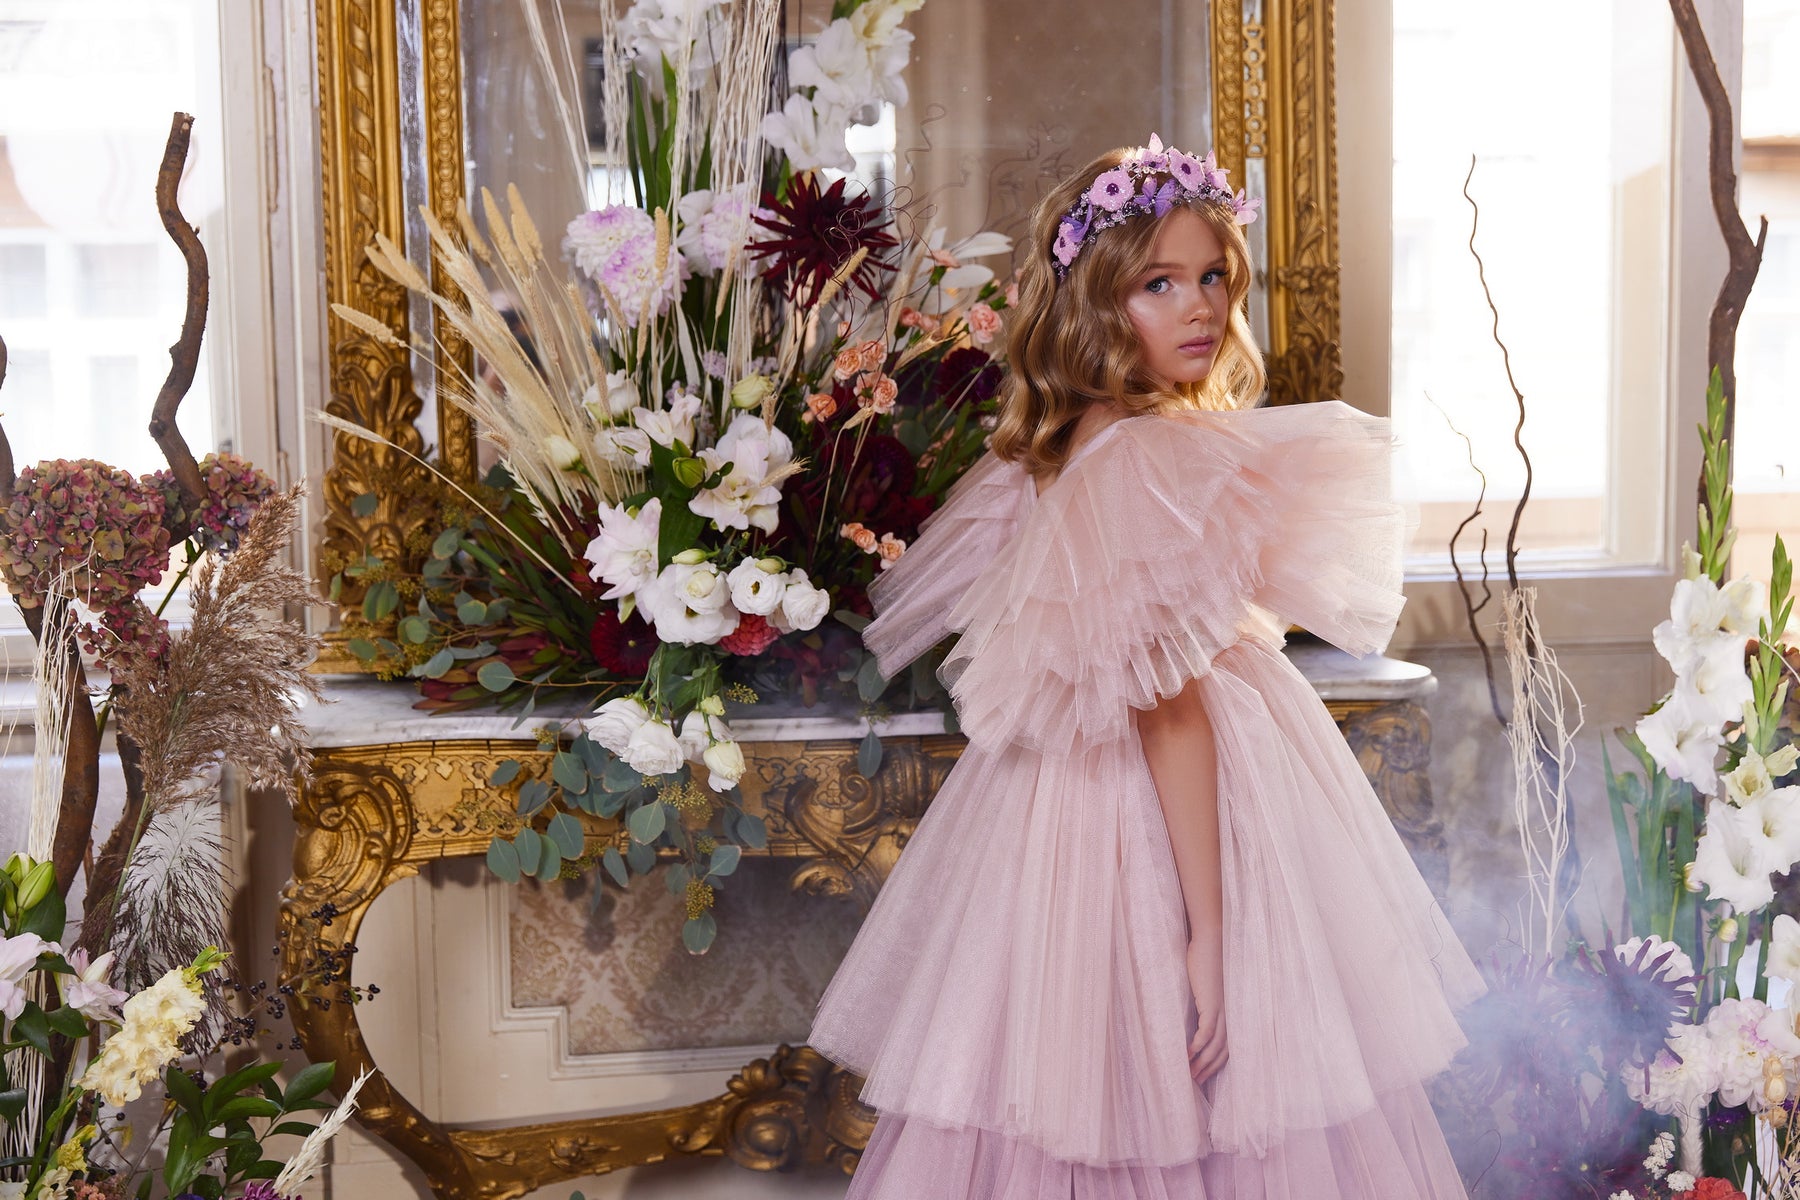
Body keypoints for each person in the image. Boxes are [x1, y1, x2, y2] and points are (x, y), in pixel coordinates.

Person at [807, 135, 1484, 1199]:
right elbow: (1168, 713)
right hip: (1166, 803)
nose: (1199, 308)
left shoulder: (1073, 440)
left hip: (1058, 809)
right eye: (1158, 284)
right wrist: (1211, 933)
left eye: (1212, 277)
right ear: (1096, 301)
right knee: (1213, 1079)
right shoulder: (1149, 454)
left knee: (1057, 1091)